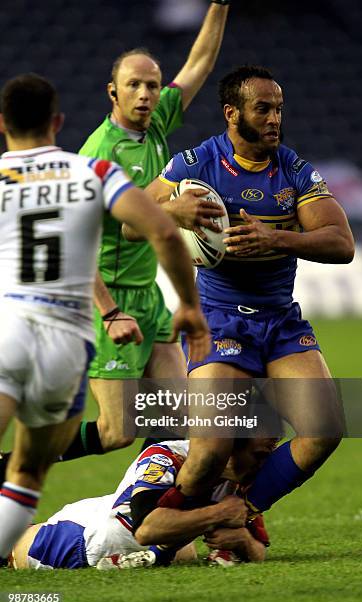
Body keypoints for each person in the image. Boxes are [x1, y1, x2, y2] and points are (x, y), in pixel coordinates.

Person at [0, 73, 210, 566]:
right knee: (29, 471)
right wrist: (189, 305)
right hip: (63, 341)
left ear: (3, 124)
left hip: (8, 329)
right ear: (58, 122)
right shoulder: (93, 172)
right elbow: (161, 229)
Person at [146, 64, 355, 517]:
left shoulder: (295, 171)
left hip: (279, 319)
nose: (274, 118)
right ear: (232, 113)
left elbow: (342, 244)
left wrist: (277, 238)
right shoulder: (197, 163)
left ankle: (239, 514)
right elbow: (130, 221)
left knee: (325, 429)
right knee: (210, 450)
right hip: (219, 318)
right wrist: (174, 213)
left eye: (279, 109)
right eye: (262, 109)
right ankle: (159, 524)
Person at [57, 0, 231, 461]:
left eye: (152, 85)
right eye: (133, 85)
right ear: (112, 92)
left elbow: (200, 63)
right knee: (117, 432)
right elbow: (93, 241)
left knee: (178, 423)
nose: (145, 94)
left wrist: (219, 5)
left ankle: (167, 529)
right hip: (105, 299)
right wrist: (111, 312)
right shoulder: (99, 154)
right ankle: (19, 463)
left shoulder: (155, 124)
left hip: (148, 299)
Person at [9, 438, 274, 570]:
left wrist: (243, 541)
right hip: (84, 537)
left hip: (107, 513)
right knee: (13, 543)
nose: (265, 464)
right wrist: (220, 513)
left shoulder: (244, 474)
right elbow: (147, 529)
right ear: (230, 446)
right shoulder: (164, 457)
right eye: (260, 455)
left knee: (186, 552)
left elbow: (258, 546)